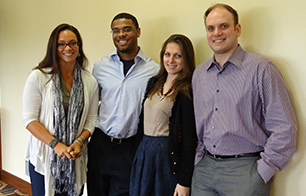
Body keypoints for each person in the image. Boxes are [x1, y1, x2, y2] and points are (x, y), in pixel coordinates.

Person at [191, 3, 297, 196]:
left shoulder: (261, 68)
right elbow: (199, 124)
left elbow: (284, 127)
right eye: (210, 28)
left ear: (237, 29)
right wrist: (199, 160)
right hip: (204, 172)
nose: (217, 33)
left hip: (245, 173)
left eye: (224, 26)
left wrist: (263, 171)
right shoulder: (199, 74)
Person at [87, 13, 160, 196]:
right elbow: (92, 106)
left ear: (138, 31)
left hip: (130, 147)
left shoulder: (154, 70)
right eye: (116, 30)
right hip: (100, 143)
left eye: (127, 29)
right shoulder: (100, 67)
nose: (121, 34)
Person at [22, 23, 99, 196]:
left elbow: (92, 119)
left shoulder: (89, 81)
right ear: (54, 48)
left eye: (73, 43)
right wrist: (54, 144)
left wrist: (79, 142)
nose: (68, 48)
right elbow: (29, 119)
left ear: (79, 47)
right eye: (61, 44)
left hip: (75, 157)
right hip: (45, 156)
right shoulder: (39, 77)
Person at [130, 34, 197, 196]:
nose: (171, 60)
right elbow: (141, 122)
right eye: (167, 54)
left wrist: (184, 181)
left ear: (186, 59)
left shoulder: (186, 92)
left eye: (178, 56)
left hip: (166, 159)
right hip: (144, 153)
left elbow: (189, 140)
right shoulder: (154, 83)